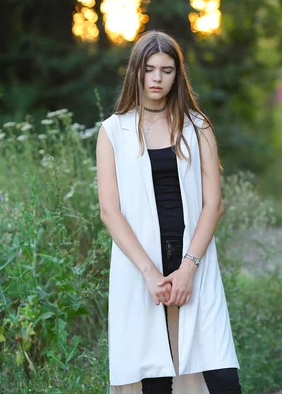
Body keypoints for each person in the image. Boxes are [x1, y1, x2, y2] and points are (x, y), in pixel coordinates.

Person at [96, 31, 241, 394]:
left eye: (167, 70)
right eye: (150, 69)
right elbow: (109, 211)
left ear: (178, 75)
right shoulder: (114, 131)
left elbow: (214, 204)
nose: (157, 78)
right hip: (140, 267)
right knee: (155, 379)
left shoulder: (197, 126)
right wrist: (149, 273)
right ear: (136, 73)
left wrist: (188, 268)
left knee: (221, 375)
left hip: (195, 262)